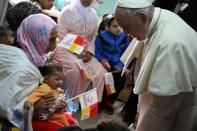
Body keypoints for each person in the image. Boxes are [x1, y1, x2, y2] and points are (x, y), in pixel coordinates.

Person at [115, 0, 197, 131]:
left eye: (126, 27)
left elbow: (161, 112)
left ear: (142, 17)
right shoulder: (154, 19)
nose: (125, 33)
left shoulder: (171, 45)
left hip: (173, 112)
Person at [53, 0, 107, 112]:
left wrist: (89, 52)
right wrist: (77, 51)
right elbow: (62, 35)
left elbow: (93, 36)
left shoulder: (93, 14)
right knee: (76, 70)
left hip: (85, 52)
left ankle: (86, 108)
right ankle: (68, 106)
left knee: (101, 72)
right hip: (65, 49)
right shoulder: (67, 11)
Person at [95, 14, 130, 114]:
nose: (118, 28)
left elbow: (125, 54)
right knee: (105, 79)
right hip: (105, 64)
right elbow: (98, 51)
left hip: (117, 65)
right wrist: (102, 59)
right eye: (115, 26)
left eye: (120, 26)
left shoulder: (124, 37)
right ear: (108, 27)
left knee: (121, 80)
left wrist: (120, 65)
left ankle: (110, 103)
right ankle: (100, 102)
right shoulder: (101, 37)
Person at [24, 62, 70, 127]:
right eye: (57, 79)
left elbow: (57, 102)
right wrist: (29, 102)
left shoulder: (55, 88)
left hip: (53, 112)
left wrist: (63, 105)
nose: (60, 82)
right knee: (63, 121)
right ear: (46, 79)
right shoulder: (44, 88)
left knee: (66, 120)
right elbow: (35, 95)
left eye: (62, 79)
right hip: (43, 116)